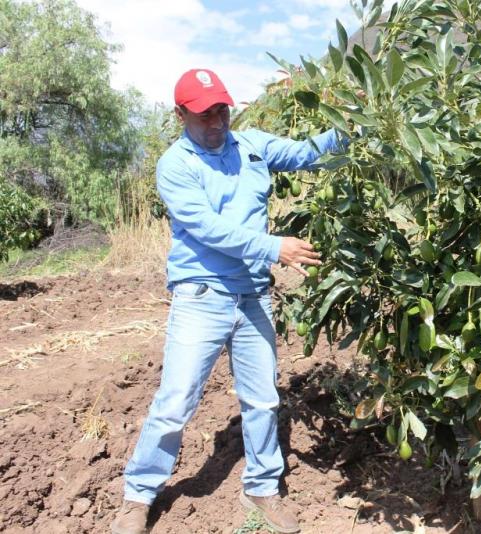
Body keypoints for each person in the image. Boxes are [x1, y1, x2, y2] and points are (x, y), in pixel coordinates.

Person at [111, 68, 347, 534]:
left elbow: (308, 155)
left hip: (253, 294)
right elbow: (207, 229)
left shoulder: (253, 145)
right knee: (176, 401)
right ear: (180, 114)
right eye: (204, 113)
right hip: (202, 296)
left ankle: (261, 488)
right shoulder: (176, 165)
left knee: (262, 400)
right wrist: (273, 247)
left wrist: (355, 123)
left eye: (222, 108)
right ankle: (138, 496)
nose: (217, 120)